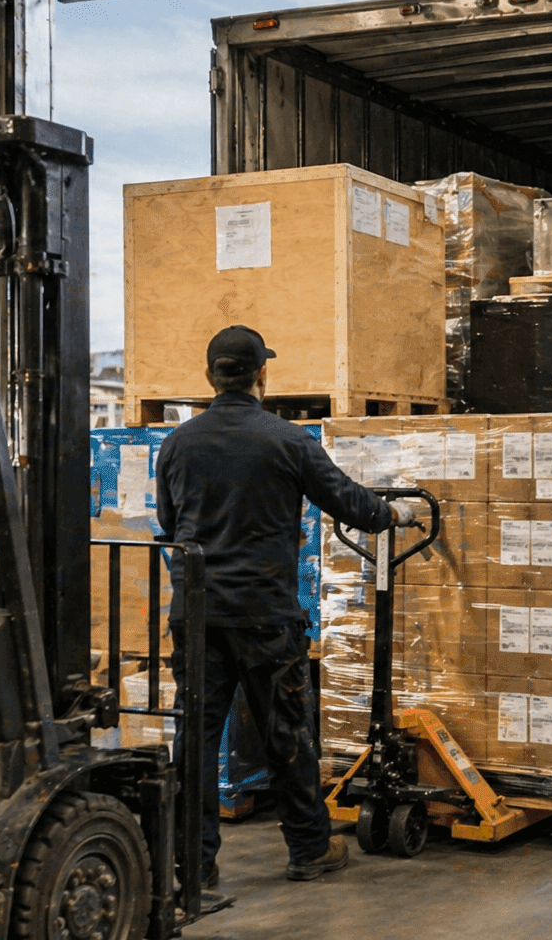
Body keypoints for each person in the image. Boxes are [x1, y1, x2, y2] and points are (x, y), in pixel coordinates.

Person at [156, 325, 416, 885]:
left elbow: (169, 524)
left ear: (209, 376)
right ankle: (308, 849)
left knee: (195, 738)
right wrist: (394, 514)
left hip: (197, 614)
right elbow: (349, 502)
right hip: (265, 615)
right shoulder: (288, 440)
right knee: (287, 733)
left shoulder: (178, 443)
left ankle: (193, 865)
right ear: (261, 377)